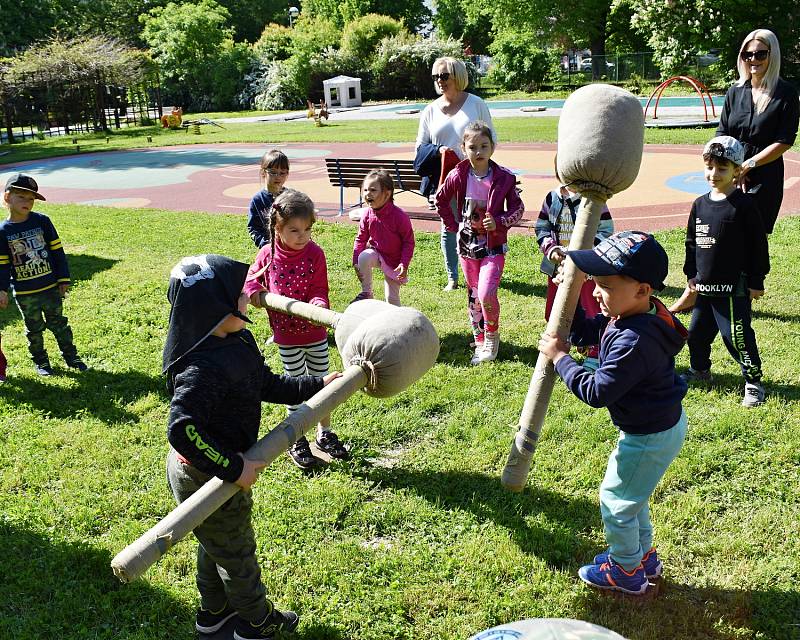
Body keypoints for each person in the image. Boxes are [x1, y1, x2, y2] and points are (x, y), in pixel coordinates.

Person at [164, 253, 339, 640]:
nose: (248, 297)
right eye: (238, 294)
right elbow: (182, 430)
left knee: (215, 544)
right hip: (204, 474)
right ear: (215, 308)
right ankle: (256, 621)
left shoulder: (236, 339)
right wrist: (233, 467)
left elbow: (266, 384)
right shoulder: (200, 367)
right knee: (237, 553)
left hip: (220, 468)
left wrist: (317, 383)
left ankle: (214, 613)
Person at [538, 231, 688, 596]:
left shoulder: (634, 341)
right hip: (654, 426)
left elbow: (596, 391)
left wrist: (561, 359)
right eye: (594, 283)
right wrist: (566, 295)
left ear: (642, 289)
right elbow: (591, 329)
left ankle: (625, 571)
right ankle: (644, 558)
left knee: (616, 502)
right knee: (632, 497)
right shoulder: (630, 314)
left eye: (604, 285)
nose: (595, 292)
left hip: (648, 434)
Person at [671, 28, 798, 313]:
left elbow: (784, 140)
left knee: (750, 235)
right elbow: (722, 132)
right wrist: (724, 166)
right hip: (729, 173)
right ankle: (697, 290)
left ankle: (740, 293)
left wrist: (749, 164)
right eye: (748, 54)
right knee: (717, 232)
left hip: (763, 175)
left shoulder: (786, 93)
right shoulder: (734, 92)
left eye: (760, 54)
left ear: (772, 55)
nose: (753, 59)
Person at [244, 189, 349, 471]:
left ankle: (324, 433)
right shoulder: (268, 254)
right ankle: (296, 437)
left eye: (307, 229)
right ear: (277, 228)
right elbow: (250, 281)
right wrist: (255, 292)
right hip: (287, 337)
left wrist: (317, 306)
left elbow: (319, 288)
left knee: (321, 382)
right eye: (294, 230)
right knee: (295, 386)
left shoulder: (315, 254)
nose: (303, 236)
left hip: (315, 334)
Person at [680, 136, 769, 408]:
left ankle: (753, 382)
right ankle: (699, 370)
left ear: (737, 170)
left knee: (737, 337)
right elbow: (691, 242)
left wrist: (756, 280)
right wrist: (692, 275)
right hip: (704, 288)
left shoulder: (744, 206)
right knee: (696, 335)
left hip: (733, 288)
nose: (714, 174)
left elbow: (757, 245)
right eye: (709, 167)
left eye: (722, 169)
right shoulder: (699, 204)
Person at [436, 120, 524, 364]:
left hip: (493, 247)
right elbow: (440, 200)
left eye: (484, 146)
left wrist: (500, 221)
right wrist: (453, 226)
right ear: (464, 148)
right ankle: (479, 340)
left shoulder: (504, 177)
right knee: (474, 295)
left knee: (486, 292)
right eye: (472, 147)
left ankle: (492, 336)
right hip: (466, 247)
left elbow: (518, 207)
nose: (479, 151)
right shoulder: (458, 174)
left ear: (492, 147)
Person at [415, 56, 495, 291]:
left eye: (444, 75)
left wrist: (481, 165)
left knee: (478, 224)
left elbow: (491, 139)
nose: (439, 81)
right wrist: (440, 151)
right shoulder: (430, 110)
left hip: (476, 175)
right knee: (448, 227)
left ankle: (481, 269)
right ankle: (453, 277)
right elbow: (420, 147)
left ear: (457, 76)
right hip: (446, 179)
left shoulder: (476, 104)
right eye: (435, 77)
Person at [0, 174, 87, 376]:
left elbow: (57, 252)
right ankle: (41, 362)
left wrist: (63, 279)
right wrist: (2, 289)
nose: (27, 202)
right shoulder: (3, 231)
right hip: (25, 293)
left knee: (60, 325)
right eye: (21, 197)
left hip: (50, 288)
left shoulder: (43, 222)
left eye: (31, 199)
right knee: (34, 330)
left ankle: (71, 357)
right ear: (7, 198)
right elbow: (3, 265)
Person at [536, 176, 614, 370]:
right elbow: (542, 227)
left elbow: (606, 231)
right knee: (556, 309)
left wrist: (580, 253)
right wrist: (551, 249)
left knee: (589, 310)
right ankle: (560, 346)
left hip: (584, 269)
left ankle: (595, 352)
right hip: (557, 269)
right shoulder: (551, 198)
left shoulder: (594, 201)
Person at [352, 169, 415, 306]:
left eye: (373, 190)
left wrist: (404, 264)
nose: (368, 194)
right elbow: (361, 239)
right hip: (377, 253)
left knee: (391, 298)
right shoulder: (367, 214)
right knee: (364, 256)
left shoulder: (399, 216)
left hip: (394, 262)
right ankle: (366, 293)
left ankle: (396, 322)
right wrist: (356, 259)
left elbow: (408, 242)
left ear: (387, 194)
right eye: (365, 190)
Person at [247, 149, 290, 249]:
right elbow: (254, 228)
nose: (278, 177)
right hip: (269, 249)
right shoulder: (257, 200)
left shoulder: (290, 196)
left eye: (282, 173)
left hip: (290, 247)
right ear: (263, 173)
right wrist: (264, 244)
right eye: (273, 172)